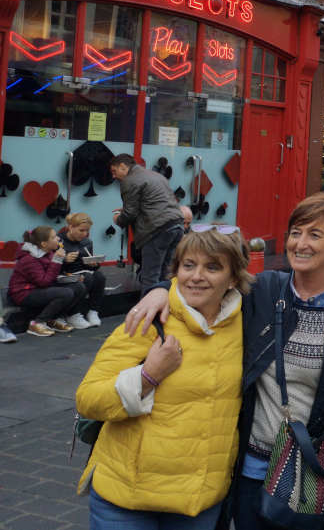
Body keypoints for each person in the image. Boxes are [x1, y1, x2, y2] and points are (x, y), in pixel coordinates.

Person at [127, 192, 324, 530]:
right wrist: (159, 289)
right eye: (295, 233)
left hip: (310, 471)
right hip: (252, 468)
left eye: (315, 235)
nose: (300, 244)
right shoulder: (264, 290)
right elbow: (203, 282)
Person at [76, 227, 251, 530]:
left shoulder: (247, 324)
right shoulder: (149, 318)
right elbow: (88, 399)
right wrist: (148, 376)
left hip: (197, 502)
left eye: (213, 267)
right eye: (188, 265)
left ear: (233, 277)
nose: (196, 276)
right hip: (127, 498)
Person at [110, 153, 184, 290]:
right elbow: (154, 202)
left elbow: (129, 214)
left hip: (157, 230)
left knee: (149, 277)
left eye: (114, 171)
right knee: (165, 274)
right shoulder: (156, 175)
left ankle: (146, 311)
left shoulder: (129, 180)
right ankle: (166, 309)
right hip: (177, 224)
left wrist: (118, 219)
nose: (113, 176)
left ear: (123, 166)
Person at [8, 226, 86, 336]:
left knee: (79, 287)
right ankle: (36, 323)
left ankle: (53, 319)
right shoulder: (29, 258)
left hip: (40, 289)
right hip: (23, 293)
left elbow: (51, 275)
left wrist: (70, 277)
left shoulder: (48, 253)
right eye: (54, 237)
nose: (58, 239)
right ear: (44, 244)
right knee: (65, 293)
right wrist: (57, 260)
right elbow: (44, 282)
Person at [59, 212, 105, 327]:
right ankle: (73, 314)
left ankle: (93, 312)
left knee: (100, 276)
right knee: (86, 277)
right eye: (81, 230)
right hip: (63, 274)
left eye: (87, 231)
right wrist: (65, 260)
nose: (84, 234)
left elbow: (87, 265)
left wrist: (94, 264)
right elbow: (50, 265)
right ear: (70, 227)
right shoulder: (59, 241)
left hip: (81, 272)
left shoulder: (87, 242)